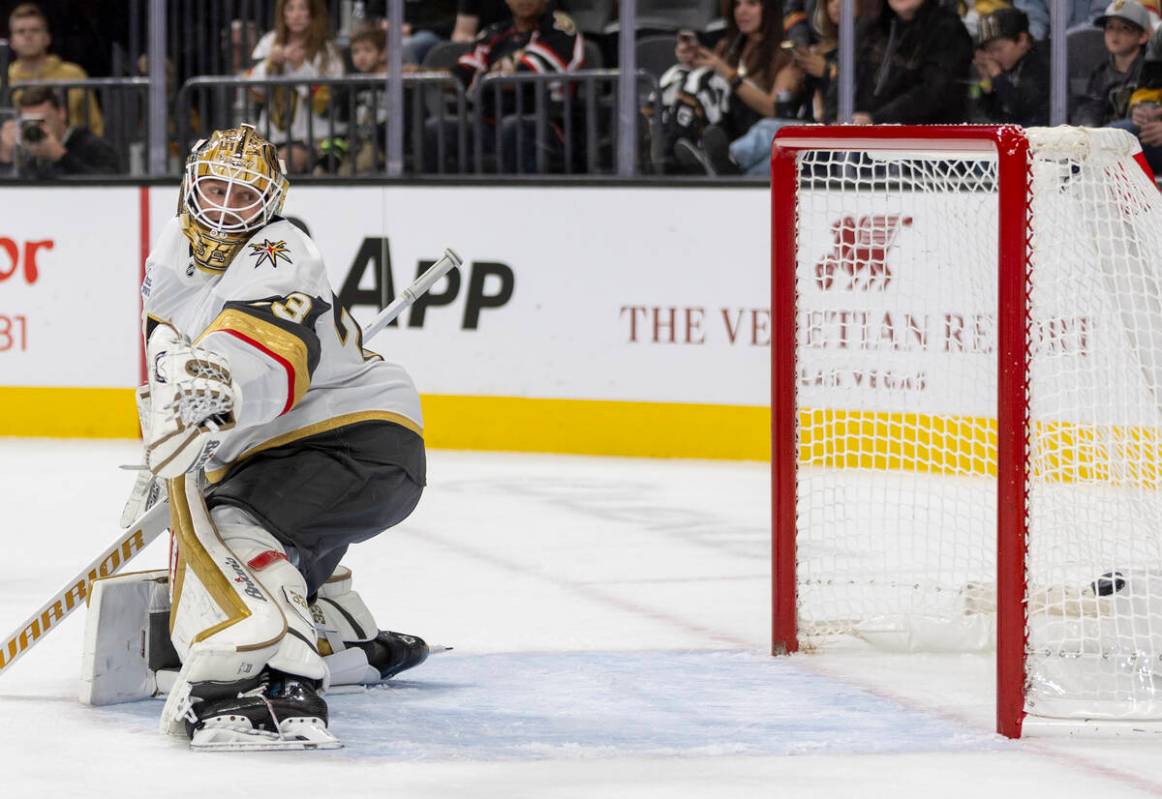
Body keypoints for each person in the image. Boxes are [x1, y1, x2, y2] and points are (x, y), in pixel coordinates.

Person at [135, 124, 429, 749]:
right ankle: (333, 629)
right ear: (190, 188)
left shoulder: (282, 251)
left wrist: (218, 386)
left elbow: (266, 354)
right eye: (215, 188)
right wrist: (158, 451)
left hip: (353, 438)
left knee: (231, 530)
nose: (224, 208)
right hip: (296, 447)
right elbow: (167, 353)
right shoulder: (173, 249)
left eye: (244, 196)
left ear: (271, 201)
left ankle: (267, 677)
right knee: (242, 522)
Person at [425, 0, 584, 174]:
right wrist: (419, 73)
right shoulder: (494, 33)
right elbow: (463, 74)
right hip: (491, 127)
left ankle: (519, 197)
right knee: (438, 127)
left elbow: (524, 75)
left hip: (547, 126)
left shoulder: (560, 29)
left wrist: (492, 76)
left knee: (513, 127)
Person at [658, 0, 802, 174]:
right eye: (737, 5)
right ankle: (664, 144)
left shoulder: (786, 54)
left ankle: (706, 158)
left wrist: (727, 72)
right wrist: (691, 60)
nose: (742, 11)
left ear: (769, 10)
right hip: (721, 130)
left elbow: (772, 109)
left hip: (751, 128)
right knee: (681, 75)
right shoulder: (727, 46)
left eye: (751, 4)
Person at [246, 0, 345, 173]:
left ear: (313, 13)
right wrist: (270, 64)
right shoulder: (269, 42)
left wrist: (300, 68)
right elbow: (254, 89)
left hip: (312, 139)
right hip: (269, 133)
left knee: (281, 164)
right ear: (282, 14)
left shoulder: (327, 49)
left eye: (302, 8)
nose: (296, 15)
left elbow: (326, 101)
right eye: (290, 9)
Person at [848, 0, 973, 125]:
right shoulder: (872, 27)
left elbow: (934, 92)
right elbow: (845, 79)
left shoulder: (947, 29)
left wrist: (876, 119)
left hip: (928, 137)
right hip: (867, 135)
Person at [6, 2, 103, 137]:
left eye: (35, 30)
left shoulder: (73, 74)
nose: (28, 36)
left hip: (70, 153)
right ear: (12, 42)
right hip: (18, 155)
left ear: (47, 38)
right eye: (21, 31)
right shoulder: (4, 80)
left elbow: (95, 124)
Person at [0, 85, 118, 177]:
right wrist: (6, 157)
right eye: (28, 123)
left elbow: (113, 186)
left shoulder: (92, 145)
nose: (35, 128)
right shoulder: (24, 150)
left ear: (61, 113)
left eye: (41, 121)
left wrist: (61, 157)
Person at [1071, 0, 1150, 127]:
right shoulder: (1100, 74)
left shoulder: (1154, 71)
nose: (1115, 33)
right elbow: (1089, 110)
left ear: (1143, 36)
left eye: (1125, 28)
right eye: (1110, 27)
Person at [972, 7, 1051, 126]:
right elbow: (991, 117)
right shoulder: (1008, 66)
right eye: (989, 51)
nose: (994, 56)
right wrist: (986, 80)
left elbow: (1022, 110)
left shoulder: (1042, 62)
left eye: (998, 49)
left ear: (1022, 40)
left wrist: (997, 75)